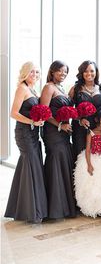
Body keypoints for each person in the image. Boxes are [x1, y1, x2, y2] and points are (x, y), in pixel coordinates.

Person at [5, 61, 47, 223]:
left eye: (37, 72)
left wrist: (39, 120)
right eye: (31, 72)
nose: (35, 75)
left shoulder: (32, 89)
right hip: (24, 134)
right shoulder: (22, 89)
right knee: (31, 167)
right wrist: (31, 121)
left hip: (33, 133)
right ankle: (32, 211)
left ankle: (22, 208)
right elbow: (13, 113)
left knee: (29, 167)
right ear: (25, 73)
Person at [40, 60, 76, 219]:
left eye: (66, 72)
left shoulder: (61, 88)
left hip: (64, 133)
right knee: (55, 164)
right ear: (53, 71)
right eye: (60, 71)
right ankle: (53, 208)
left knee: (63, 163)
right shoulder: (48, 87)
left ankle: (65, 206)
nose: (63, 74)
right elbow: (44, 113)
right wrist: (60, 125)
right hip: (53, 132)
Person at [69, 60, 101, 161]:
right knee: (81, 158)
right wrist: (80, 120)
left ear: (96, 72)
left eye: (92, 71)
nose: (89, 74)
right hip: (80, 129)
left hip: (98, 129)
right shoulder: (75, 89)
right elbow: (69, 110)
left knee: (97, 159)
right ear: (82, 73)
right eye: (86, 71)